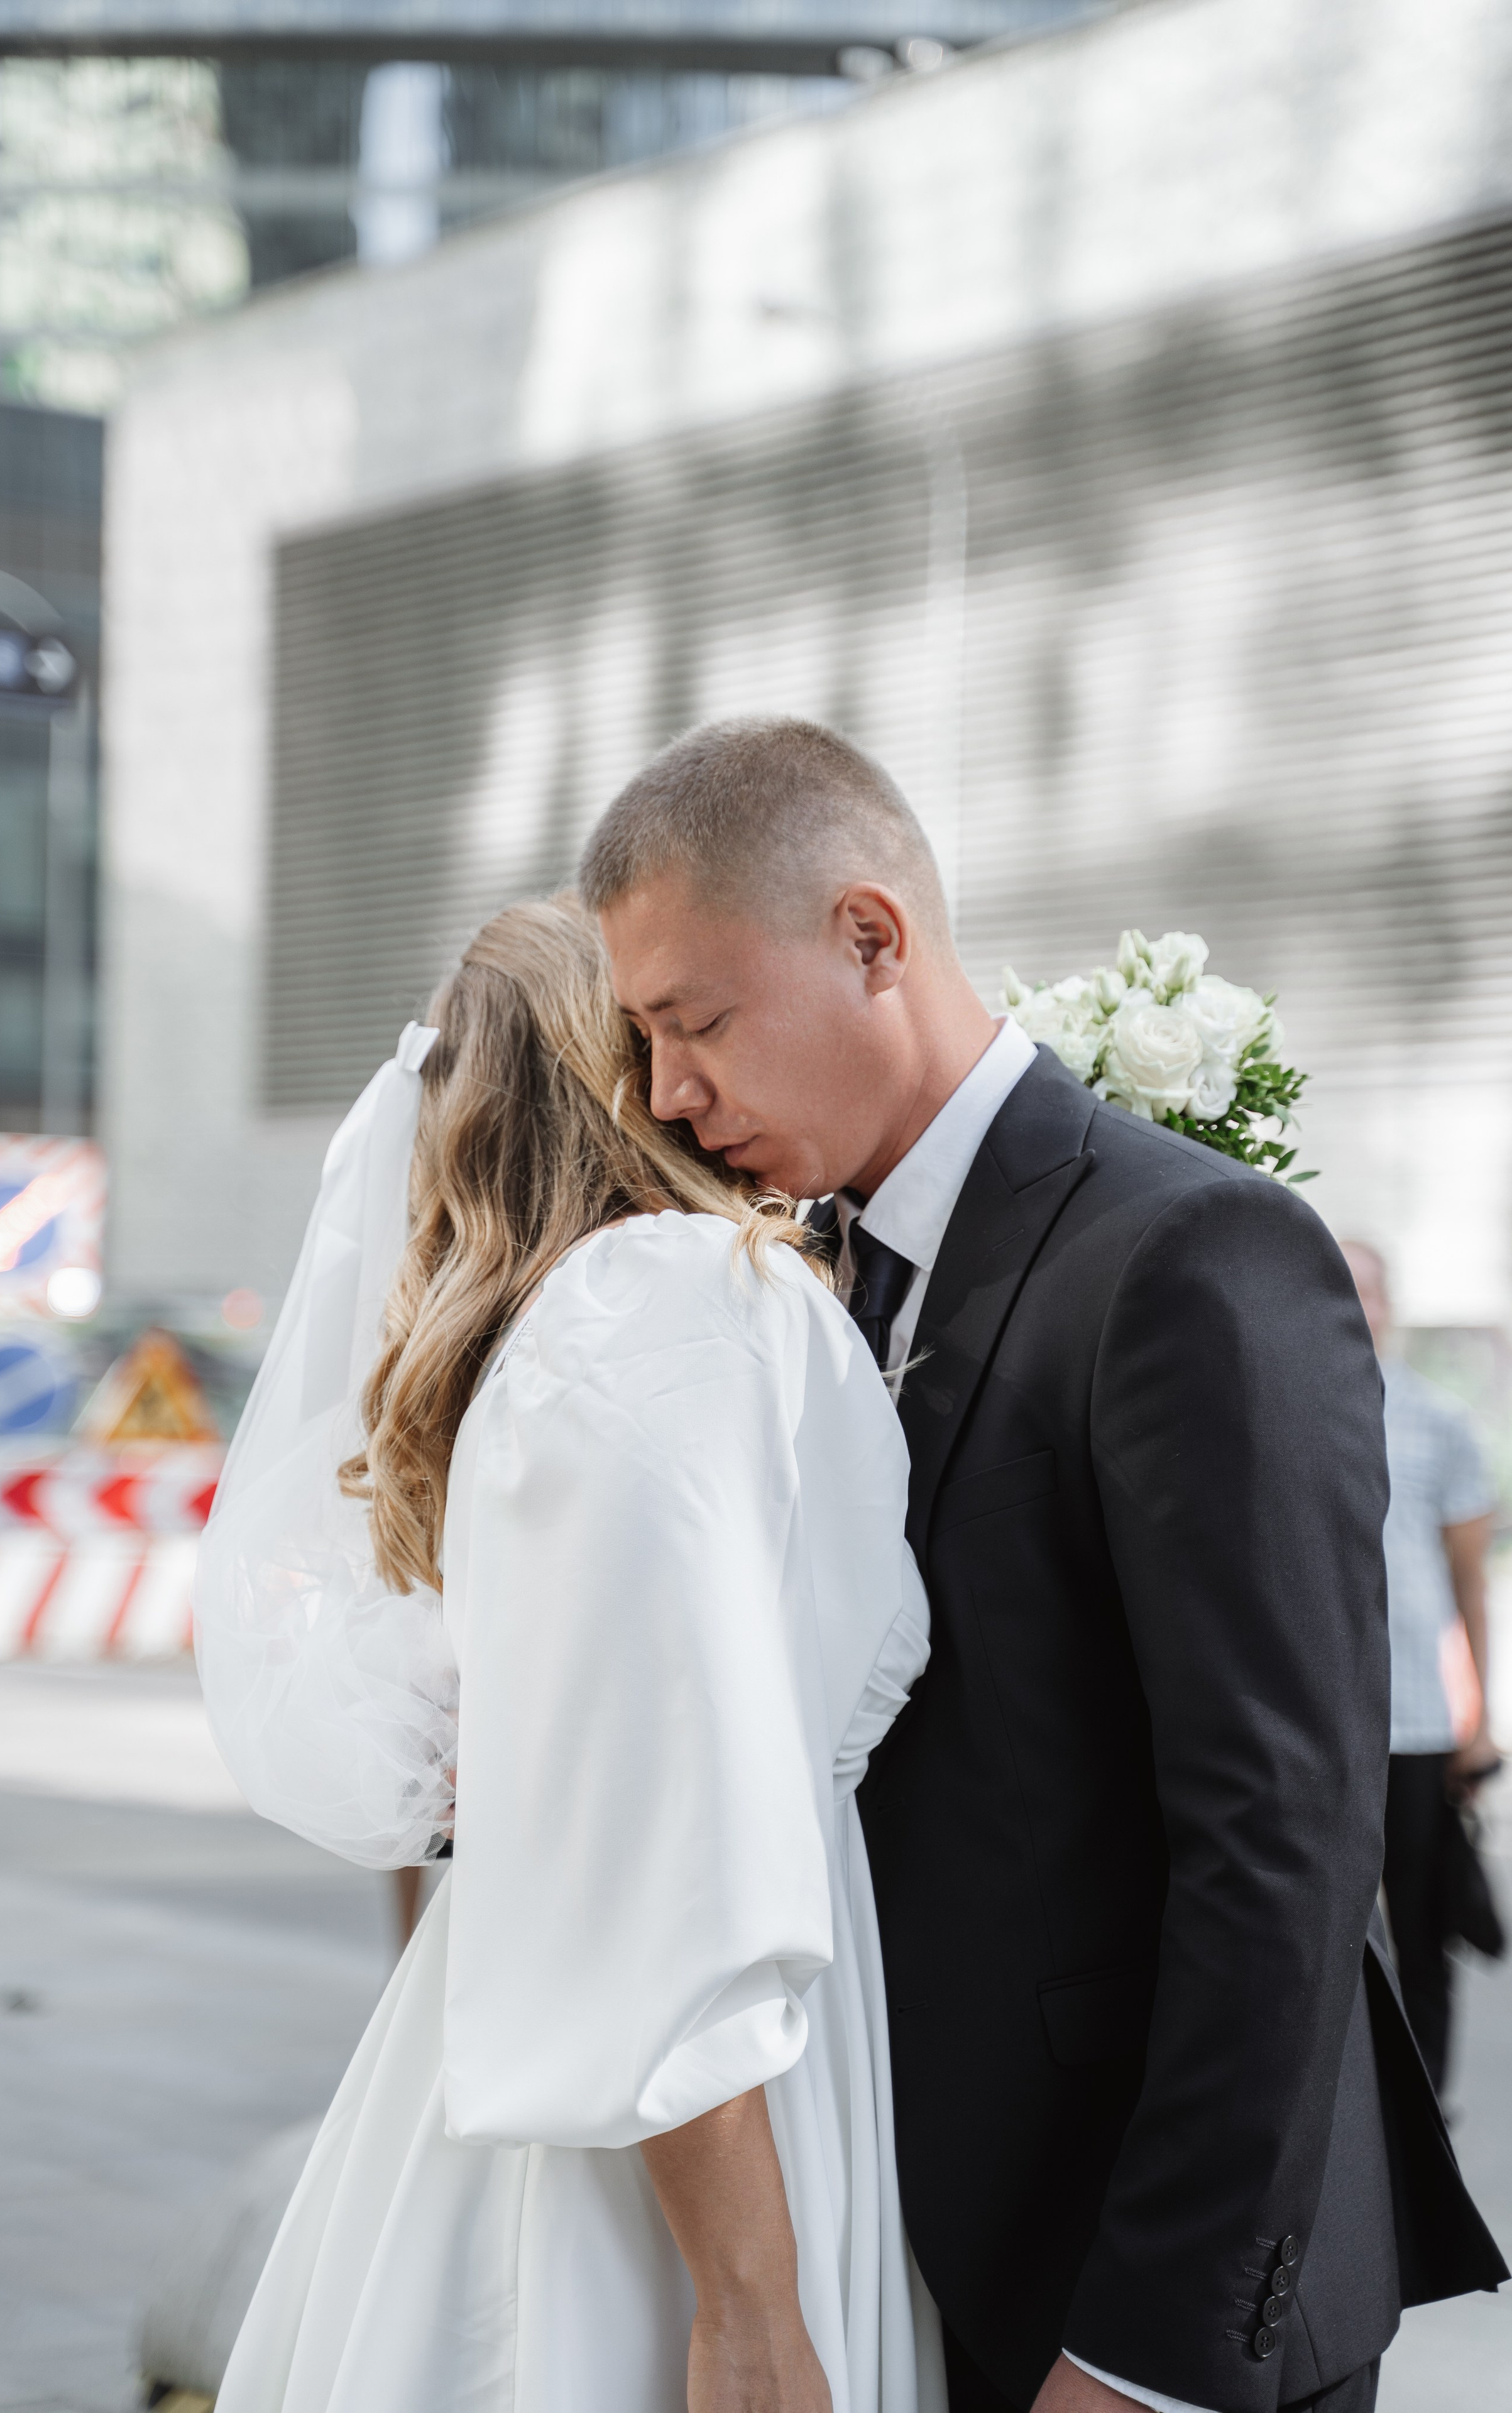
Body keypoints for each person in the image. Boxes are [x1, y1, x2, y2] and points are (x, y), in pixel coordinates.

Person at [584, 716, 1506, 2413]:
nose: (668, 1095)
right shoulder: (812, 1285)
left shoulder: (1190, 1251)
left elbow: (1285, 1846)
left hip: (1126, 2295)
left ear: (872, 937)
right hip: (907, 2255)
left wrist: (1147, 2356)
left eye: (693, 1022)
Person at [195, 897, 944, 2412]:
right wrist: (748, 2299)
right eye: (672, 1028)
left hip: (595, 2031)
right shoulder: (660, 1306)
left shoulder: (573, 1322)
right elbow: (664, 1849)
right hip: (689, 2101)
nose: (696, 1076)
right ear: (621, 1068)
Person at [1340, 1239, 1501, 2096]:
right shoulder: (1290, 1405)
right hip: (1328, 1720)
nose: (1355, 1309)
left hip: (1420, 1720)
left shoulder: (1439, 1419)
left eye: (1367, 1291)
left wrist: (1478, 1731)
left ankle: (1429, 2102)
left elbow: (1469, 1588)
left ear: (1390, 1304)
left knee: (1423, 1923)